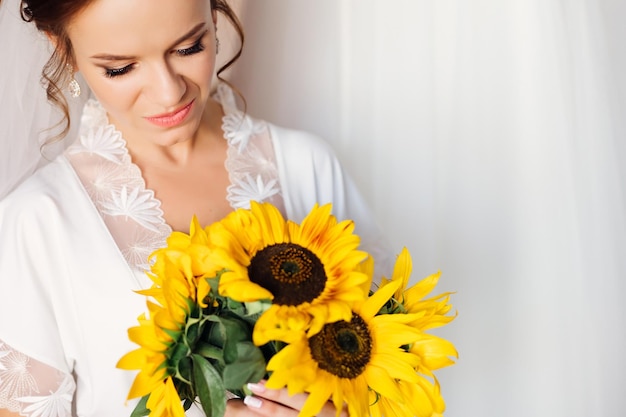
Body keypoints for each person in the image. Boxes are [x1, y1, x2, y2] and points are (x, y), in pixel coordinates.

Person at [0, 0, 392, 416]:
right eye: (120, 68)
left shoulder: (306, 166)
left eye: (189, 48)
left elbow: (391, 371)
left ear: (214, 17)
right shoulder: (38, 220)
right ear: (63, 49)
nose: (169, 93)